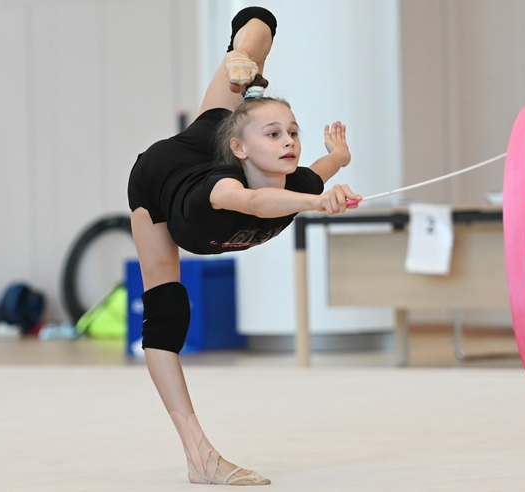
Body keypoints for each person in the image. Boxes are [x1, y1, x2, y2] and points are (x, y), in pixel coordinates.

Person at [127, 7, 361, 485]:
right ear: (241, 147)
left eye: (292, 132)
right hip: (162, 177)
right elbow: (253, 200)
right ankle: (200, 456)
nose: (289, 141)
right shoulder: (226, 189)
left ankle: (242, 56)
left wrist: (337, 158)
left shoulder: (294, 179)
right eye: (273, 134)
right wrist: (318, 203)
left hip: (220, 141)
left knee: (260, 16)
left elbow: (313, 174)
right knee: (167, 313)